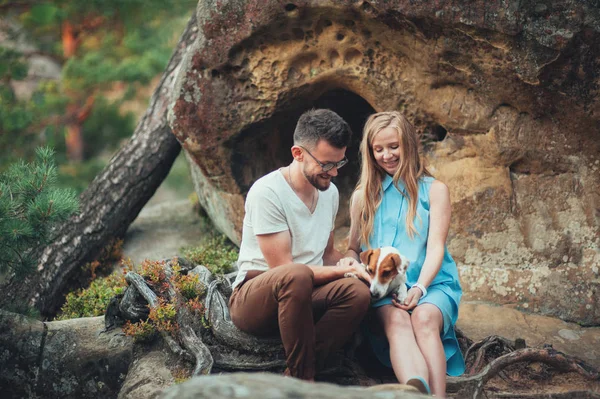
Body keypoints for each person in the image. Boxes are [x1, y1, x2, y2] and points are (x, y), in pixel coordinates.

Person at [229, 108, 371, 381]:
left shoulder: (328, 192)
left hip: (304, 294)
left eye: (339, 164)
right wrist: (340, 272)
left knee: (357, 292)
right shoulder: (267, 192)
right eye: (327, 164)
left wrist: (354, 266)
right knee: (295, 275)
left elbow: (327, 254)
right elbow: (284, 269)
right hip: (256, 299)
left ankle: (297, 374)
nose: (334, 173)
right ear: (298, 154)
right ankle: (304, 380)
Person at [339, 111, 465, 396]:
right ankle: (416, 389)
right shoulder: (362, 196)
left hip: (432, 284)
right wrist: (350, 258)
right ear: (370, 152)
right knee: (397, 320)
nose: (387, 155)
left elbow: (436, 247)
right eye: (378, 149)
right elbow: (354, 247)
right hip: (384, 287)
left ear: (408, 144)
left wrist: (420, 289)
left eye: (393, 146)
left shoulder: (435, 191)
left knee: (423, 318)